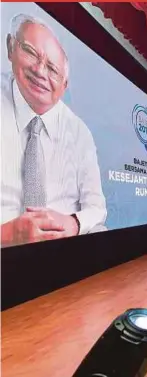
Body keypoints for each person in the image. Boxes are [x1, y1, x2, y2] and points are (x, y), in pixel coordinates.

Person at [1, 14, 106, 247]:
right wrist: (8, 234)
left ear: (64, 86)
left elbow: (96, 208)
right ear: (11, 47)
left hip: (61, 250)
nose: (40, 71)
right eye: (30, 52)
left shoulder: (79, 132)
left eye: (52, 69)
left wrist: (74, 223)